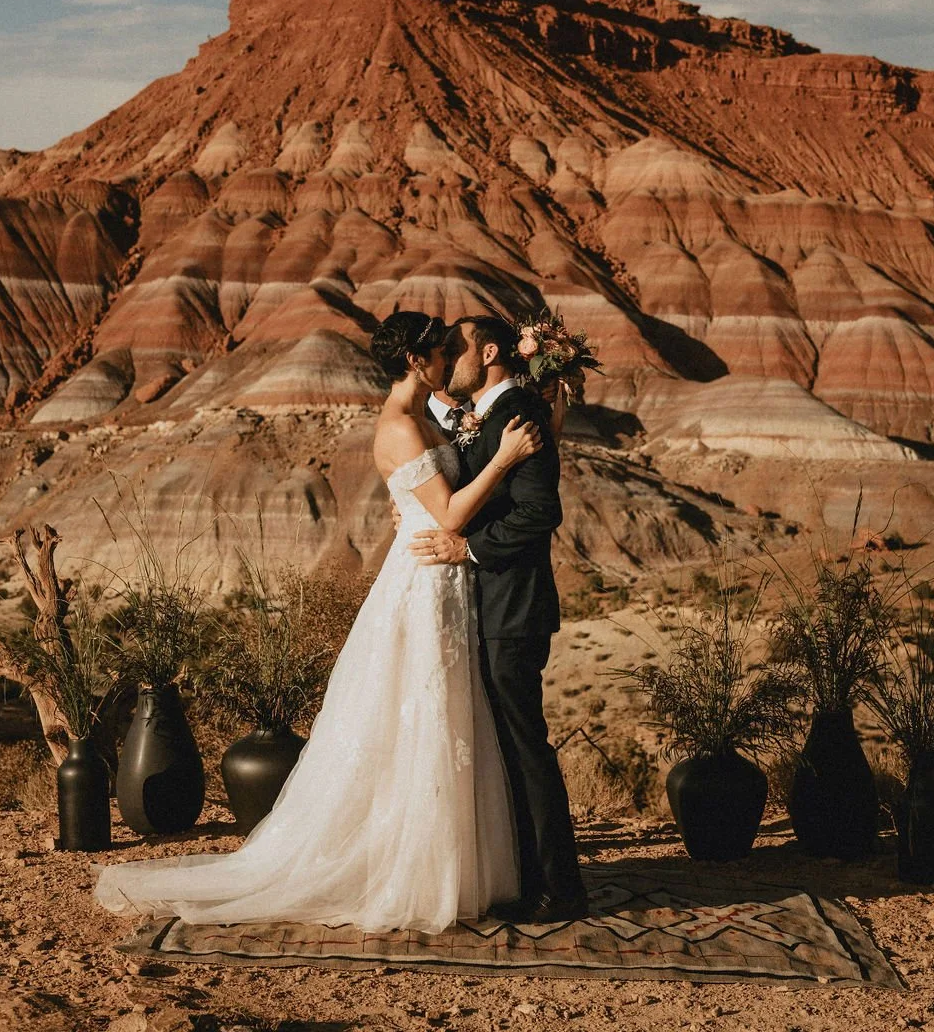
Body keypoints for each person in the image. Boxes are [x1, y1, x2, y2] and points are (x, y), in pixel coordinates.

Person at [93, 310, 541, 934]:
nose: (447, 362)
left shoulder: (424, 419)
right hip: (424, 583)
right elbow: (449, 517)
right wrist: (504, 460)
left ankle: (460, 866)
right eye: (440, 353)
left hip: (448, 584)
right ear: (416, 361)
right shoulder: (397, 429)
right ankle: (413, 869)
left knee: (448, 720)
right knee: (423, 718)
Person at [409, 315, 588, 925]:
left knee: (524, 746)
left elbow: (541, 512)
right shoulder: (494, 410)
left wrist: (469, 549)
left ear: (487, 352)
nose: (445, 357)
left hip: (512, 606)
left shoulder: (519, 413)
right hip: (489, 607)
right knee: (507, 747)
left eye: (453, 348)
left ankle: (559, 887)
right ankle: (527, 875)